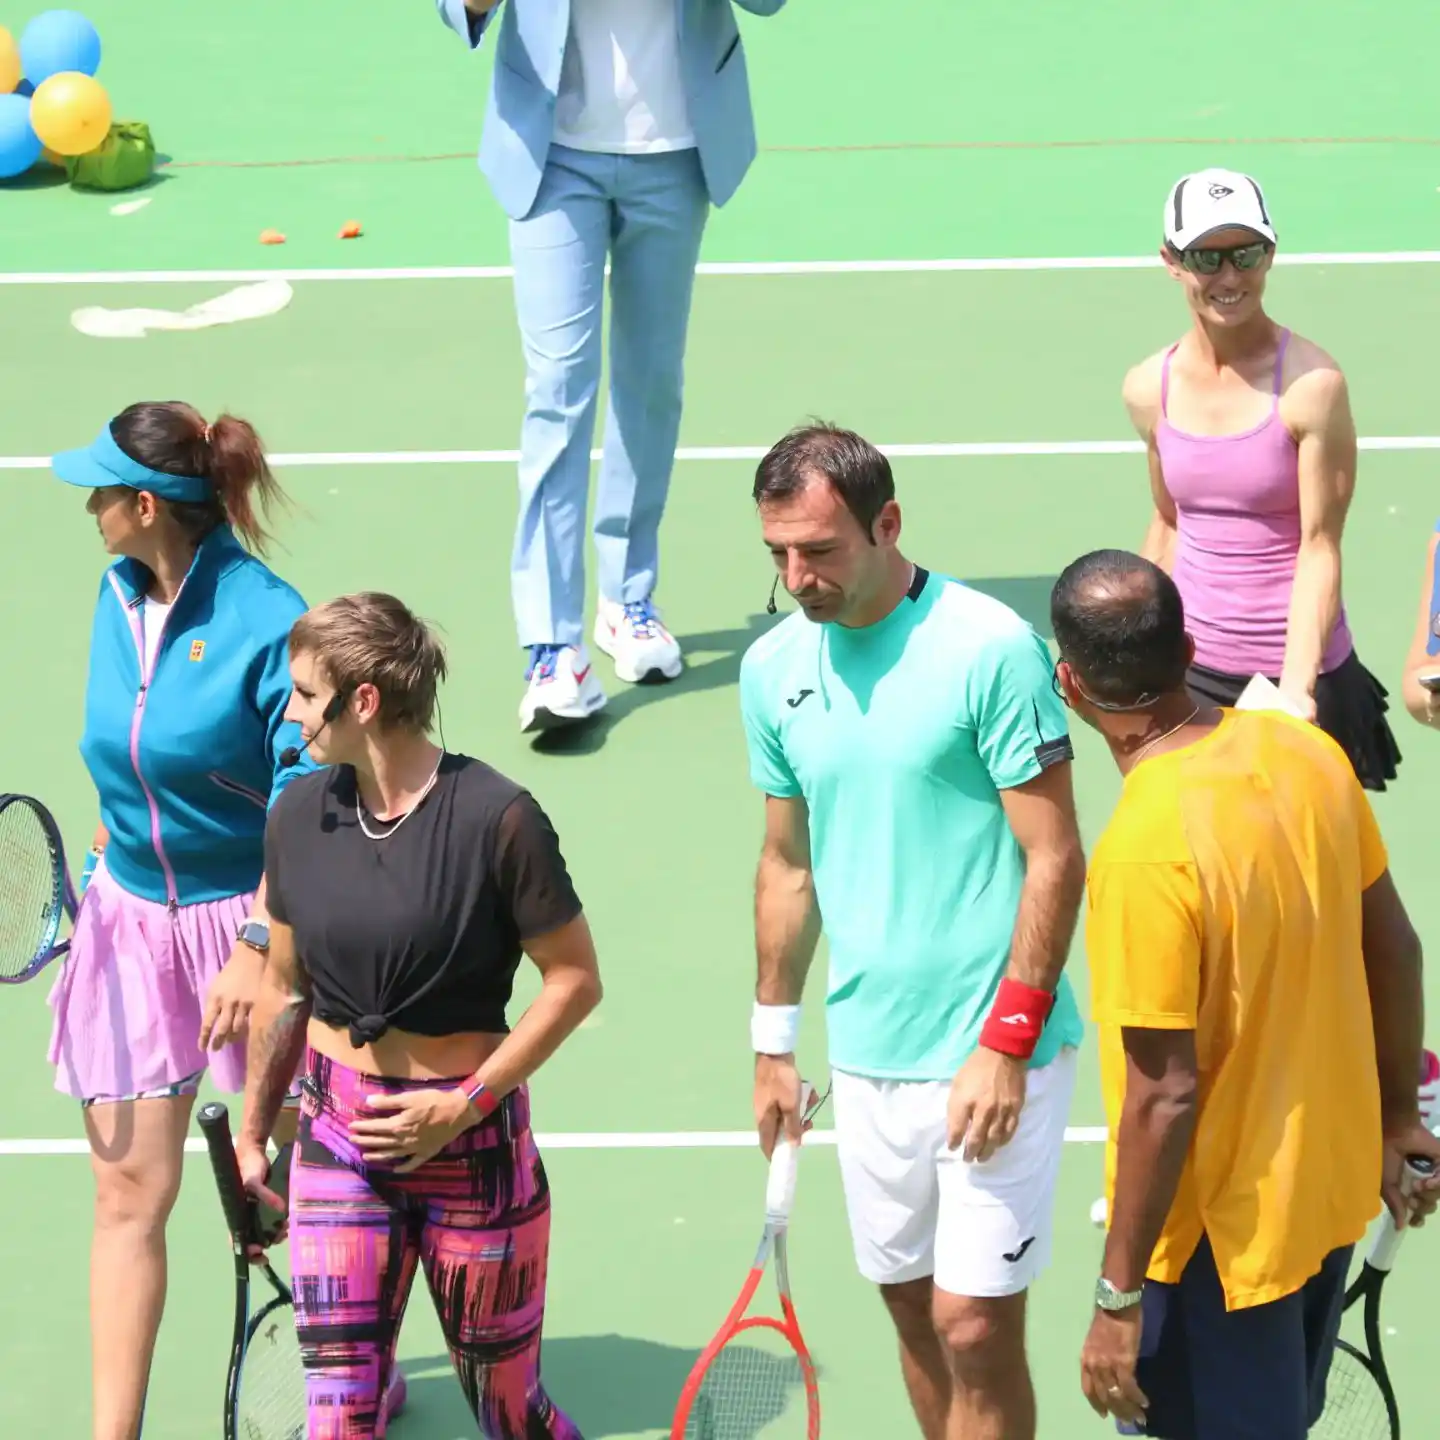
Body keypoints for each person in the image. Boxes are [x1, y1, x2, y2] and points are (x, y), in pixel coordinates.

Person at [38, 404, 416, 1440]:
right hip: (129, 920)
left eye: (100, 491)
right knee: (127, 1197)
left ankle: (356, 1373)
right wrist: (124, 869)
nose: (89, 507)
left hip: (249, 926)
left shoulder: (265, 618)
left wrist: (260, 941)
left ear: (145, 505)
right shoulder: (115, 597)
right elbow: (130, 757)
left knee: (285, 1185)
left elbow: (314, 787)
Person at [737, 424, 1087, 1440]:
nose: (797, 577)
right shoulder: (772, 672)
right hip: (870, 1050)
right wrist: (771, 1048)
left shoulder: (989, 650)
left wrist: (1007, 1040)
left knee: (973, 1327)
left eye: (820, 551)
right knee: (910, 1307)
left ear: (888, 525)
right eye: (778, 555)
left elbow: (1056, 855)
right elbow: (786, 865)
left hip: (994, 1043)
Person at [1050, 549, 1440, 1440]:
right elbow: (1398, 950)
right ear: (1188, 649)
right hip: (1326, 1200)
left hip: (1216, 1256)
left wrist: (1119, 1295)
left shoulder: (1146, 850)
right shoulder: (1305, 753)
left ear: (1070, 684)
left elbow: (1164, 1092)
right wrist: (1395, 1120)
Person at [235, 591, 601, 1439]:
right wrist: (260, 1132)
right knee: (337, 1418)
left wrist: (464, 1104)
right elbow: (285, 989)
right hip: (338, 1144)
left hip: (470, 1147)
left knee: (509, 1412)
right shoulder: (298, 815)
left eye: (302, 694)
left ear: (363, 701)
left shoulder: (497, 819)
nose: (290, 714)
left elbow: (575, 980)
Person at [434, 0, 789, 733]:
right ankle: (551, 645)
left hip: (678, 150)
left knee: (651, 383)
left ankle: (628, 602)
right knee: (558, 386)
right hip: (553, 153)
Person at [1122, 166, 1401, 790]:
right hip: (1192, 672)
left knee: (1318, 882)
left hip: (1297, 676)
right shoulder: (1149, 388)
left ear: (1270, 252)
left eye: (1245, 254)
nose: (1228, 277)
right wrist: (1130, 646)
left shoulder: (1311, 387)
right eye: (1206, 257)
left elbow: (1319, 544)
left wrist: (1295, 692)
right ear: (1170, 260)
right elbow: (1169, 522)